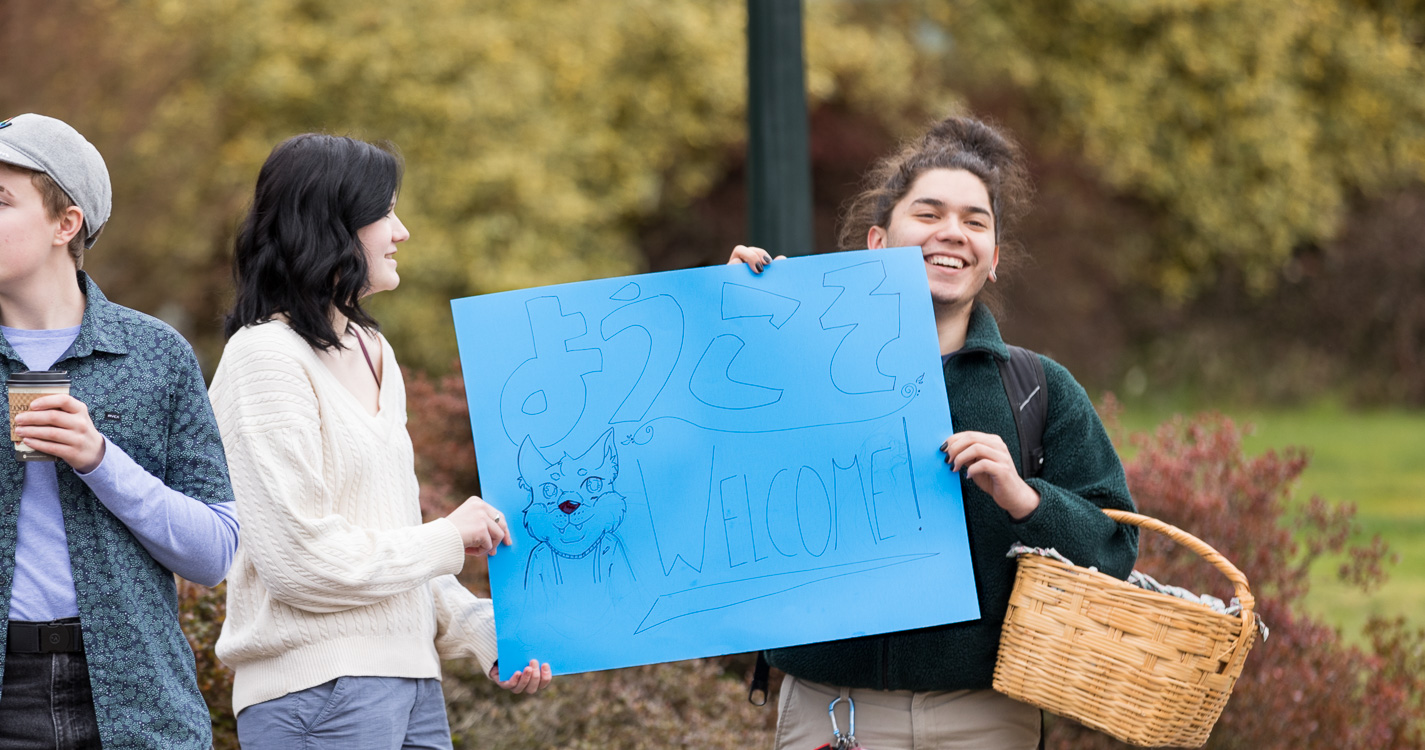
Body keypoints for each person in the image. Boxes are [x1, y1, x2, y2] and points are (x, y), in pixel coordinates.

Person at [728, 115, 1138, 750]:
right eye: (928, 214)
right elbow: (680, 467)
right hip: (833, 717)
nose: (953, 233)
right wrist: (725, 320)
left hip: (986, 720)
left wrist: (1025, 499)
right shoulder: (792, 364)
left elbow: (1115, 550)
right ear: (877, 241)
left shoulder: (1037, 388)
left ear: (994, 259)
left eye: (976, 221)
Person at [209, 133, 551, 749]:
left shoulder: (375, 352)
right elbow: (299, 561)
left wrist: (482, 630)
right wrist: (449, 536)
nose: (402, 231)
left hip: (412, 682)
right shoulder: (262, 359)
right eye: (384, 212)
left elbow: (390, 536)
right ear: (330, 227)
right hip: (317, 694)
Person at [0, 113, 240, 748]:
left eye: (1, 199)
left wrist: (100, 459)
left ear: (65, 223)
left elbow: (213, 553)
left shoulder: (155, 355)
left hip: (138, 700)